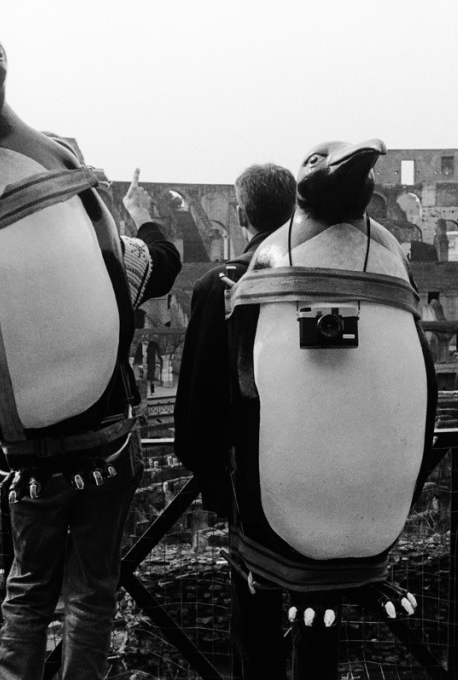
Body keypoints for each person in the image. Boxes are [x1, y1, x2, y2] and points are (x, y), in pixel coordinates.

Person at [0, 168, 180, 680]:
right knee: (93, 591)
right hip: (107, 453)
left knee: (27, 593)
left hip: (30, 465)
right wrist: (143, 216)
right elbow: (164, 265)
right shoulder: (98, 258)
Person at [175, 163, 336, 679]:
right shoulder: (333, 276)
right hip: (324, 475)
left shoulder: (216, 285)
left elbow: (196, 414)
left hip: (253, 486)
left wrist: (217, 489)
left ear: (241, 215)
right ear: (295, 209)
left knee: (255, 623)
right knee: (319, 619)